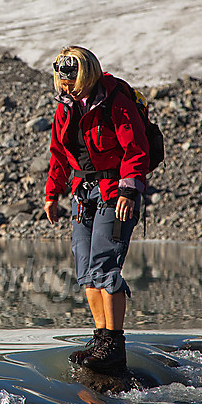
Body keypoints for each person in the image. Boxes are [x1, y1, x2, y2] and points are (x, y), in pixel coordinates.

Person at [43, 46, 149, 374]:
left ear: (87, 74)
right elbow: (59, 153)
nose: (67, 87)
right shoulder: (66, 107)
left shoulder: (115, 101)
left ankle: (114, 346)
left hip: (115, 192)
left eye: (72, 81)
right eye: (63, 81)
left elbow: (136, 148)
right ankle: (101, 339)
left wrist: (129, 191)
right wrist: (52, 194)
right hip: (83, 194)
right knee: (86, 270)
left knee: (105, 267)